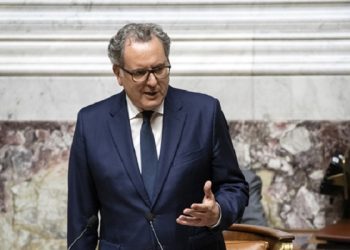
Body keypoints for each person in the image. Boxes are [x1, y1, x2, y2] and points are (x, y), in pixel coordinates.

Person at [67, 22, 249, 250]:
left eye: (160, 69)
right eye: (140, 73)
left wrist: (218, 212)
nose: (153, 82)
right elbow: (81, 218)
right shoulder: (91, 123)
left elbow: (234, 186)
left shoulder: (204, 112)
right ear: (118, 74)